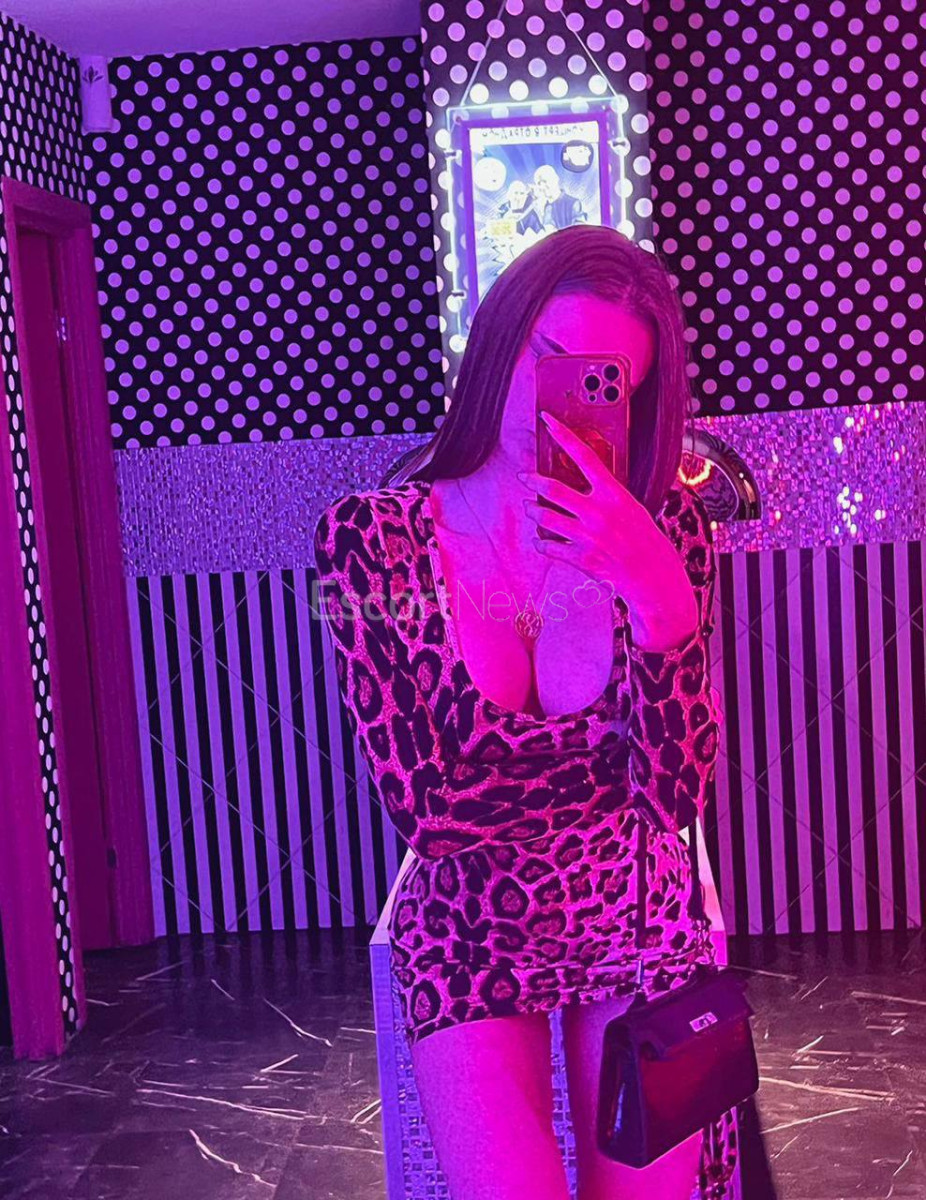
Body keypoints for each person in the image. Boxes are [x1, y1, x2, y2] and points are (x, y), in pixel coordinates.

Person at [313, 225, 734, 1200]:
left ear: (633, 399)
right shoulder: (368, 541)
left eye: (603, 380)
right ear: (498, 337)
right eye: (547, 354)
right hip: (468, 930)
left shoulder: (665, 534)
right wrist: (602, 787)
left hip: (638, 920)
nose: (558, 394)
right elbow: (429, 810)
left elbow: (673, 797)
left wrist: (658, 603)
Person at [533, 164, 587, 230]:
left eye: (545, 181)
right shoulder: (545, 208)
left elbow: (580, 230)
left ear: (555, 179)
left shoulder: (573, 203)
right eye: (539, 183)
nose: (542, 187)